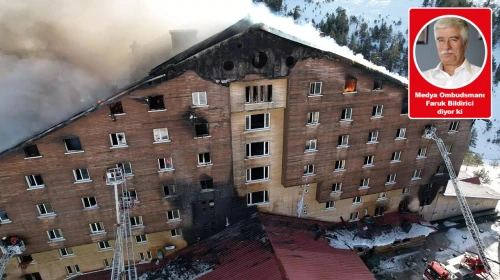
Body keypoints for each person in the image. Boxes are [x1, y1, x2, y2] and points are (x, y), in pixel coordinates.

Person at [421, 17, 481, 88]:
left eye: (453, 40)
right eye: (441, 40)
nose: (446, 47)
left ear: (465, 43)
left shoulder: (482, 75)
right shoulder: (423, 77)